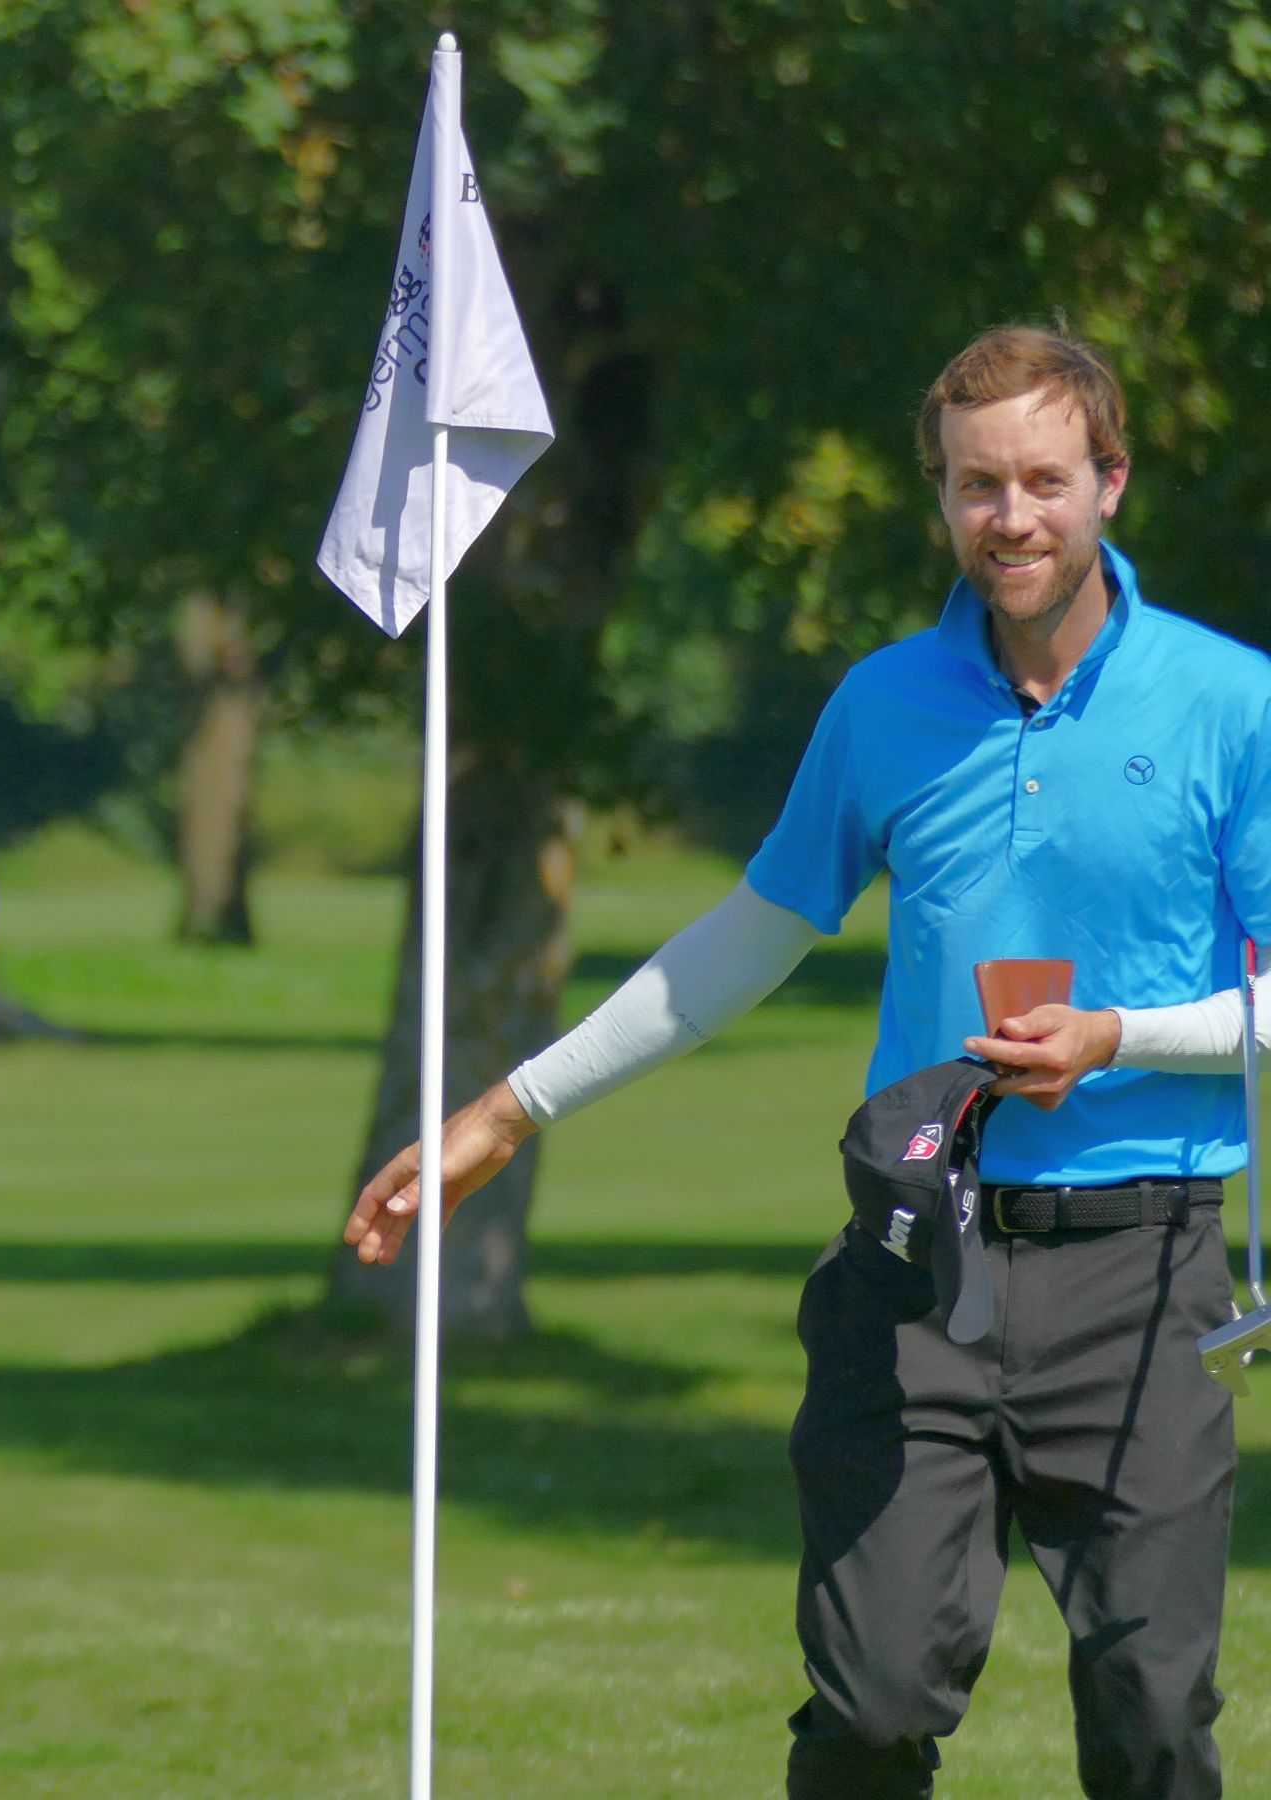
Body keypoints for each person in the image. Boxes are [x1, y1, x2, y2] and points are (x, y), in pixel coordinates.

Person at [349, 325, 1271, 1800]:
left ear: (1111, 482)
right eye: (977, 486)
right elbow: (743, 944)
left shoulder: (1233, 702)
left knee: (1156, 1724)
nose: (1011, 519)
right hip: (917, 1266)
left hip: (1146, 1277)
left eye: (1044, 480)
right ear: (941, 497)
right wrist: (510, 1111)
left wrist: (1118, 1040)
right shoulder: (884, 703)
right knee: (876, 1703)